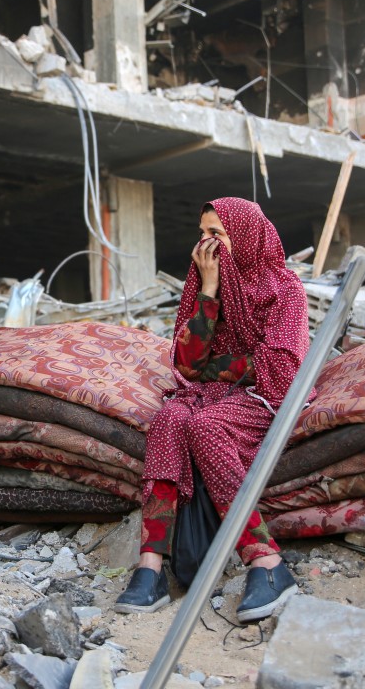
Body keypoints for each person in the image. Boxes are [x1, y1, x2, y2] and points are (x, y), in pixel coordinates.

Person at [113, 197, 309, 622]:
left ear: (245, 237)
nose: (205, 244)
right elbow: (186, 364)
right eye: (202, 233)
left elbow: (279, 367)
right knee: (168, 420)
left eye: (216, 234)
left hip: (263, 398)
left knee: (205, 427)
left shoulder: (283, 288)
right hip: (212, 394)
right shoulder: (201, 282)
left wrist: (214, 370)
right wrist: (209, 292)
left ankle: (267, 562)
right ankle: (152, 567)